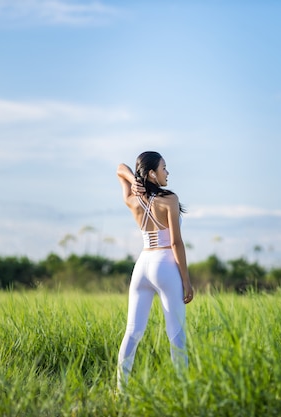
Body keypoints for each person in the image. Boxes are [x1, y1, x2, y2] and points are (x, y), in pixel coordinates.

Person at [116, 151, 194, 391]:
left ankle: (120, 390)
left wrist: (134, 181)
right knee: (176, 333)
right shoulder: (169, 199)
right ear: (152, 173)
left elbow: (120, 168)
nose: (167, 172)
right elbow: (175, 243)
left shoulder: (132, 199)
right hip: (165, 265)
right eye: (164, 168)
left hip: (142, 266)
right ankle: (183, 391)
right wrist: (186, 281)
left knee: (132, 331)